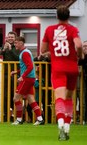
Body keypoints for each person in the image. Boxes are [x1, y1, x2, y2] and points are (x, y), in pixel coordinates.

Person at [40, 5, 83, 141]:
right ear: (68, 16)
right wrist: (79, 57)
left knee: (60, 97)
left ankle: (60, 125)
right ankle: (67, 126)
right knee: (69, 98)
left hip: (58, 67)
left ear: (57, 16)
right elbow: (79, 45)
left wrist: (50, 51)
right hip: (72, 67)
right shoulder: (72, 29)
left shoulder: (50, 29)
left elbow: (42, 50)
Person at [11, 36, 44, 126]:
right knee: (31, 99)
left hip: (27, 79)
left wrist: (22, 76)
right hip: (30, 78)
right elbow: (27, 66)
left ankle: (19, 119)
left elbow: (30, 66)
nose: (15, 45)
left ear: (21, 43)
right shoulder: (26, 52)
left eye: (16, 43)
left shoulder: (24, 53)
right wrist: (16, 72)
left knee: (16, 98)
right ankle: (40, 119)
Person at [0, 31, 19, 122]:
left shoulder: (17, 47)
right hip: (5, 73)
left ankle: (15, 114)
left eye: (12, 37)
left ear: (15, 38)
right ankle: (6, 114)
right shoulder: (4, 46)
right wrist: (3, 49)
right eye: (9, 37)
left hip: (14, 73)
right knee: (5, 94)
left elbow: (17, 58)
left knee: (13, 94)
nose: (10, 38)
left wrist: (10, 50)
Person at [79, 40, 87, 124]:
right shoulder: (83, 58)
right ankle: (85, 119)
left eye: (86, 46)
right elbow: (78, 62)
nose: (85, 48)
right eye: (84, 47)